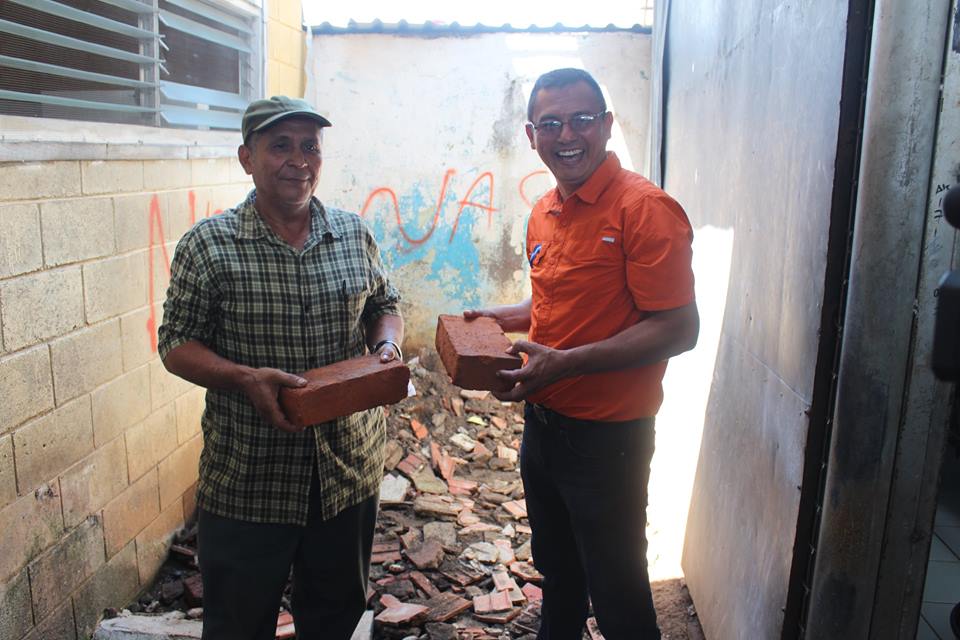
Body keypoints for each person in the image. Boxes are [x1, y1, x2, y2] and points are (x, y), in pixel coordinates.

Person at [465, 68, 699, 639]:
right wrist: (503, 317)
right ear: (531, 135)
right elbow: (553, 296)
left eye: (581, 119)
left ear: (607, 125)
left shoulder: (644, 209)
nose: (567, 134)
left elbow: (678, 327)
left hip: (608, 438)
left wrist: (567, 363)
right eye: (551, 123)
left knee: (616, 583)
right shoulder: (545, 209)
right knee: (557, 568)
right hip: (543, 426)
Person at [158, 96, 403, 640]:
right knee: (238, 626)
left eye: (310, 146)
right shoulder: (209, 246)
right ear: (247, 158)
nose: (299, 160)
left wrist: (385, 350)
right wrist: (244, 378)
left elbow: (384, 306)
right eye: (281, 146)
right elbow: (175, 344)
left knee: (333, 619)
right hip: (249, 478)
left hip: (345, 473)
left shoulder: (352, 234)